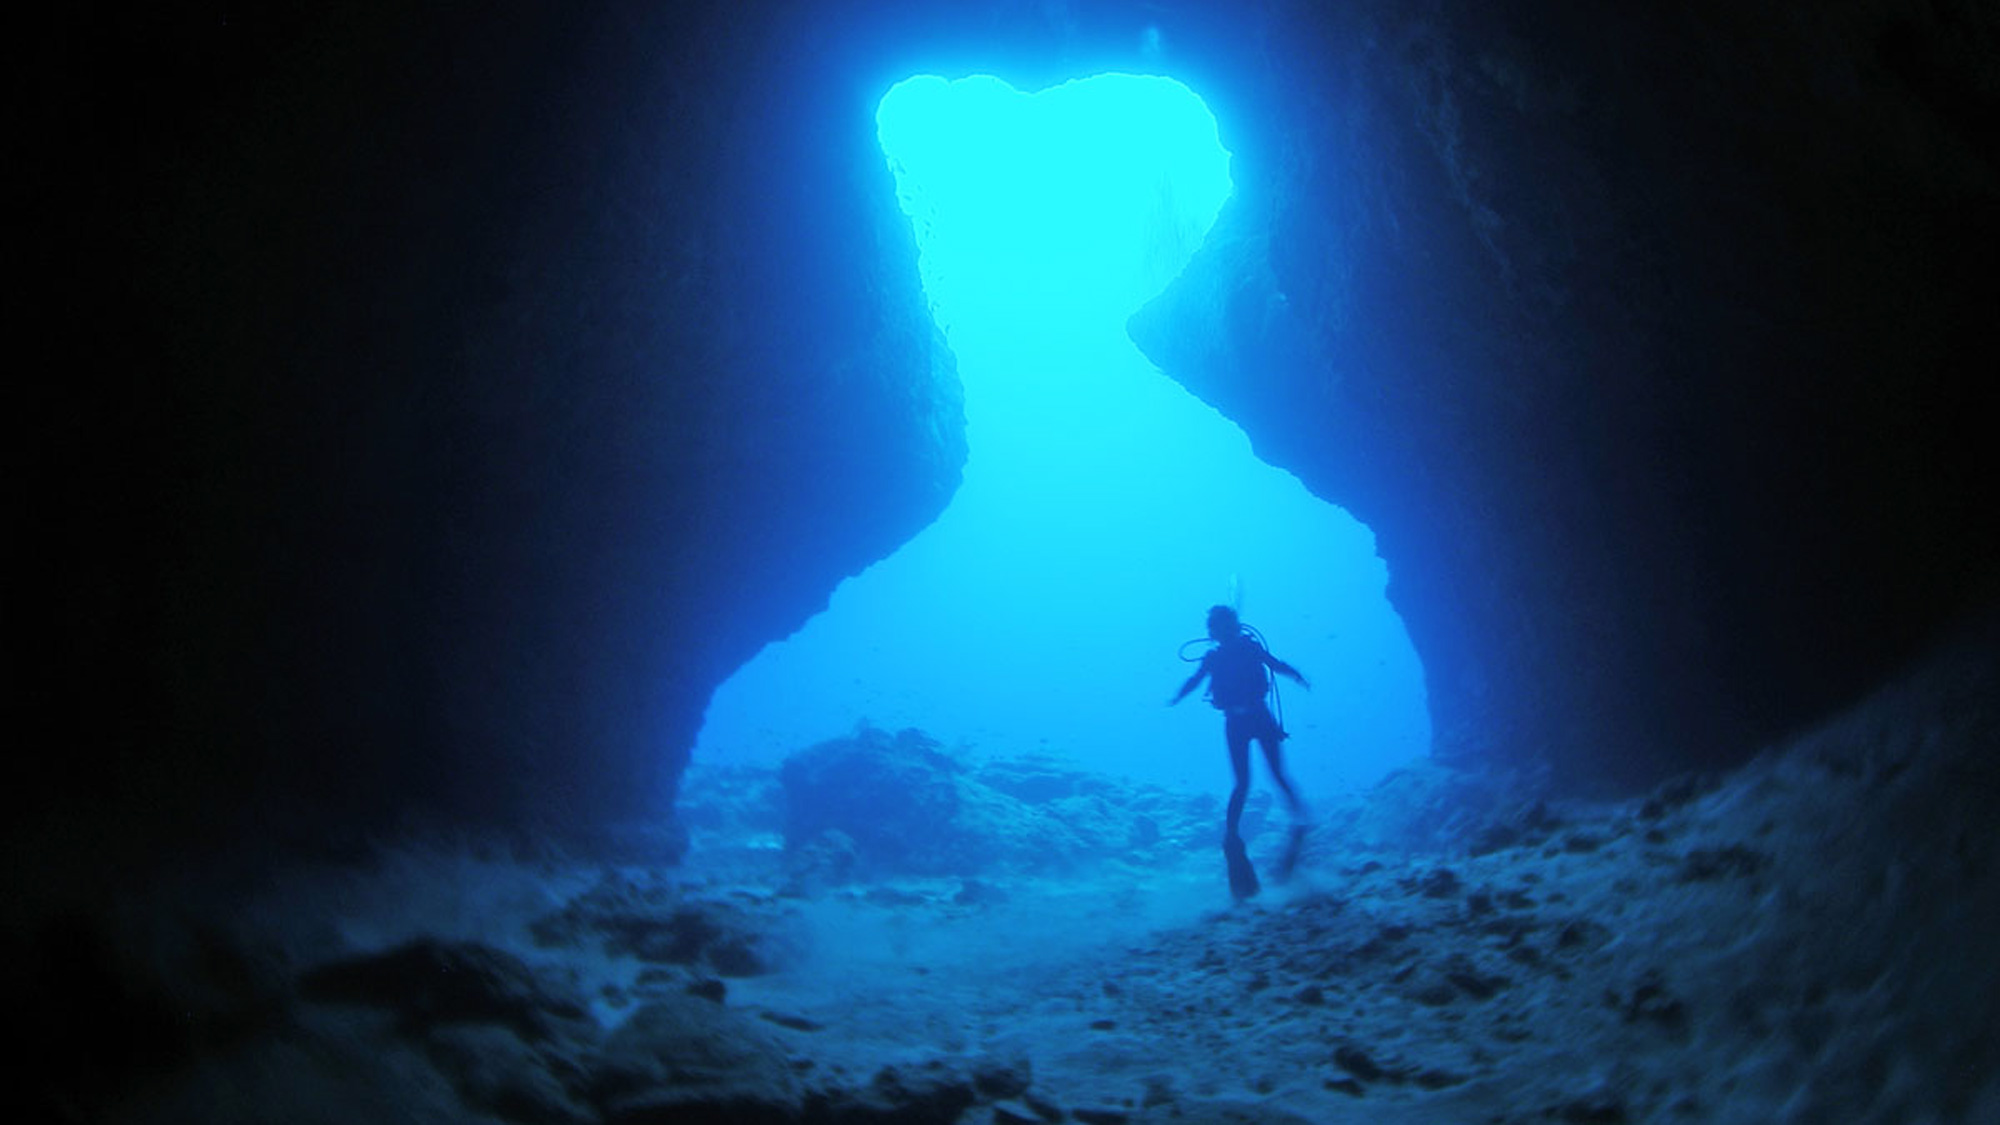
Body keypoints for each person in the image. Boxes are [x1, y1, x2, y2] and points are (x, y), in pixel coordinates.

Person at [1170, 605, 1311, 895]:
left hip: (1257, 717)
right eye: (1219, 628)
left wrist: (1296, 675)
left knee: (1273, 775)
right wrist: (1177, 696)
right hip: (1238, 721)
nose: (1223, 632)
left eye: (1226, 626)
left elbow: (1275, 664)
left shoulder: (1249, 648)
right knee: (1244, 783)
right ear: (1214, 632)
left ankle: (1299, 819)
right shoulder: (1215, 657)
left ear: (1232, 627)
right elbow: (1195, 681)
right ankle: (1233, 836)